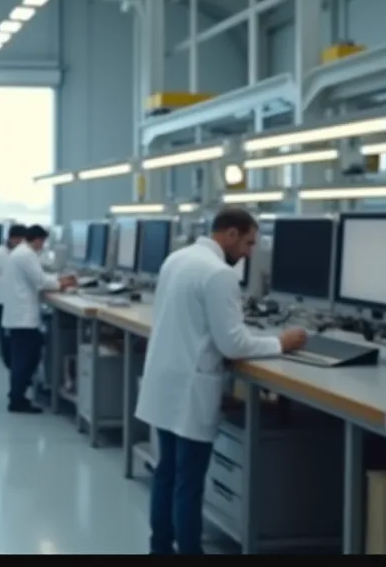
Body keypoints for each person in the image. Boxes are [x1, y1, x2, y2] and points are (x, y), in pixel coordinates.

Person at [135, 207, 307, 555]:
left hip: (166, 380)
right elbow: (233, 343)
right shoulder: (218, 274)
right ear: (230, 234)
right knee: (189, 483)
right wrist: (281, 343)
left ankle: (160, 549)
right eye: (248, 243)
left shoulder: (177, 259)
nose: (249, 253)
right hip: (190, 387)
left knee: (166, 472)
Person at [0, 224, 76, 413]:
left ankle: (16, 395)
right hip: (22, 317)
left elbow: (39, 276)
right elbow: (41, 281)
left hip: (19, 315)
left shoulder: (21, 252)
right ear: (37, 239)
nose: (43, 246)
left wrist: (58, 280)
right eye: (43, 242)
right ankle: (17, 400)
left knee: (27, 354)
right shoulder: (26, 254)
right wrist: (62, 283)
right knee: (26, 357)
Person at [0, 224, 27, 367]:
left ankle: (12, 361)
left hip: (9, 298)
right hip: (1, 299)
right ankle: (9, 362)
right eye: (20, 240)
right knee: (5, 333)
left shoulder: (18, 253)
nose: (22, 244)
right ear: (13, 239)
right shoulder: (0, 253)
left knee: (10, 332)